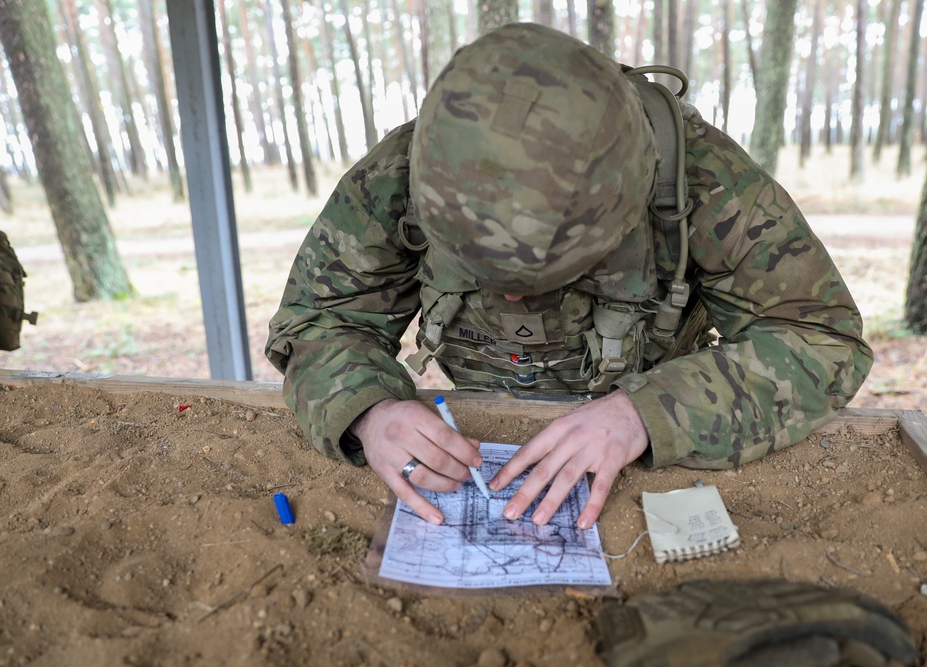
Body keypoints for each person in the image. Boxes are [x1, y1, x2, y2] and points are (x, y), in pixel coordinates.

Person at [265, 22, 872, 528]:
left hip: (643, 445)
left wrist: (647, 413)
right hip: (476, 429)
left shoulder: (700, 179)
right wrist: (371, 412)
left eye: (550, 273)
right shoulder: (401, 174)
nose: (510, 296)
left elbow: (821, 340)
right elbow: (321, 319)